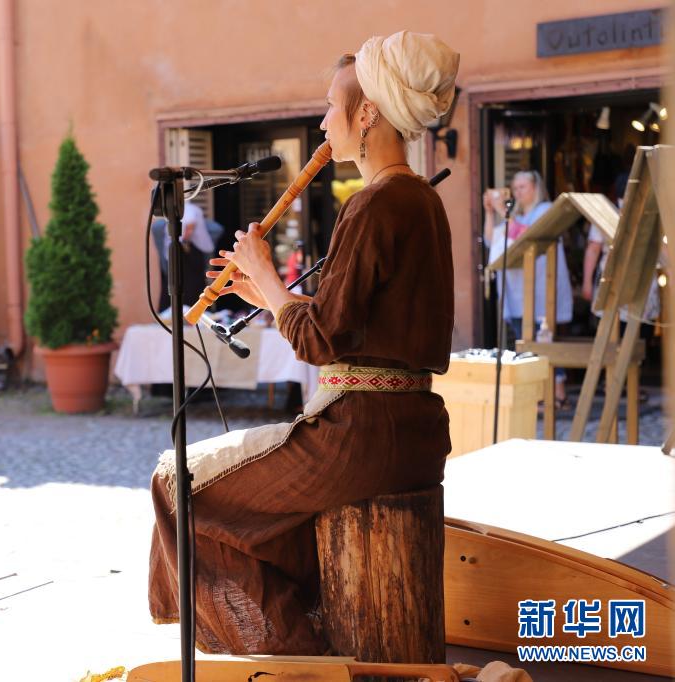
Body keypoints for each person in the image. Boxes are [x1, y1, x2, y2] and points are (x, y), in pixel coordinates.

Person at [148, 31, 459, 654]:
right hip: (411, 432)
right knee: (257, 521)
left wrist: (267, 274)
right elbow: (353, 328)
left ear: (366, 114)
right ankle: (309, 633)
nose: (322, 122)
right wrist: (264, 295)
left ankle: (294, 655)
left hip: (357, 435)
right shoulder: (420, 199)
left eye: (330, 106)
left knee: (174, 486)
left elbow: (320, 340)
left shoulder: (374, 204)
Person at [483, 170, 573, 406]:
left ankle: (558, 392)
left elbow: (526, 235)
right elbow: (492, 240)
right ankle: (539, 394)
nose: (518, 192)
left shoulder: (545, 210)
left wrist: (503, 211)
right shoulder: (516, 214)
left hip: (541, 288)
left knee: (545, 340)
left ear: (535, 187)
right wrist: (490, 212)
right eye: (515, 188)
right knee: (525, 342)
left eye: (522, 187)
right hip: (517, 291)